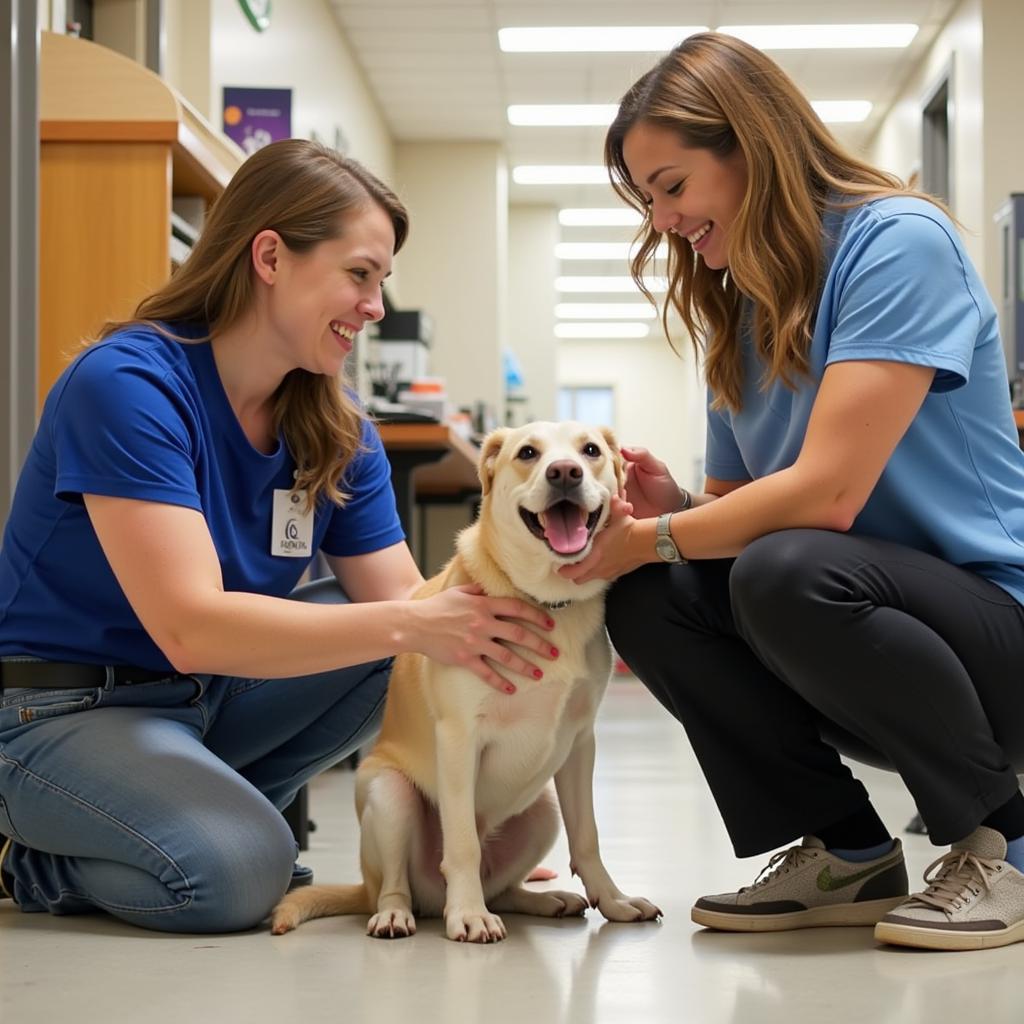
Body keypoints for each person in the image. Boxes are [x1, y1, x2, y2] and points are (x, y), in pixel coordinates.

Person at [0, 139, 559, 934]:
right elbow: (189, 628)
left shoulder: (337, 426)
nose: (374, 306)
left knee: (407, 643)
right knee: (238, 873)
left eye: (381, 282)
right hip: (61, 710)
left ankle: (190, 809)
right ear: (270, 256)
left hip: (205, 702)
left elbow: (407, 611)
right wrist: (418, 624)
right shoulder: (126, 387)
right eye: (359, 275)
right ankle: (29, 856)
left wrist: (464, 825)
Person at [561, 32, 1024, 952]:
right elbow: (737, 530)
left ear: (750, 145)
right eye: (647, 199)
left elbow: (829, 497)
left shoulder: (897, 243)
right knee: (653, 592)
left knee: (782, 567)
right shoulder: (741, 310)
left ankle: (1006, 840)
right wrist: (675, 513)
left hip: (994, 641)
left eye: (672, 186)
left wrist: (659, 533)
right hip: (866, 636)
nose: (662, 221)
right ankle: (849, 849)